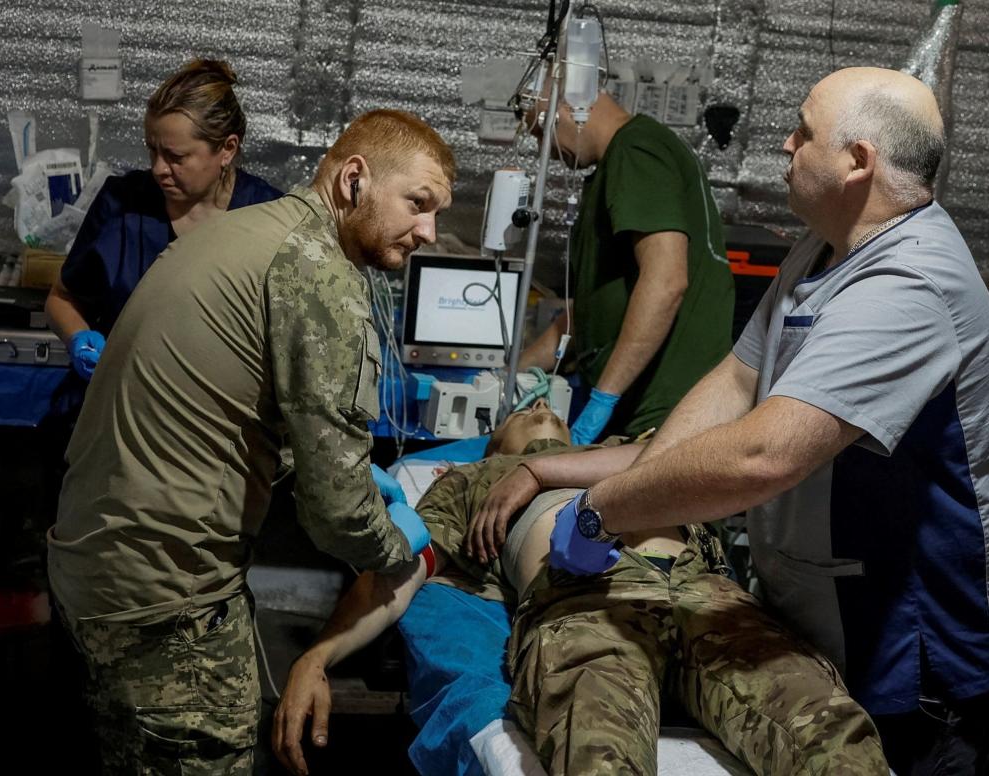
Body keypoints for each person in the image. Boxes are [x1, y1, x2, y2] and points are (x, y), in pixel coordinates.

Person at [508, 67, 989, 776]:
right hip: (818, 618)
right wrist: (584, 468)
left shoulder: (910, 284)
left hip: (916, 649)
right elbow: (734, 381)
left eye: (803, 132)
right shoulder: (823, 247)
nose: (784, 146)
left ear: (857, 162)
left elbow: (763, 455)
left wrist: (604, 509)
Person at [47, 109, 455, 774]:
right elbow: (335, 514)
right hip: (167, 600)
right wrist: (398, 544)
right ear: (354, 179)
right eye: (417, 203)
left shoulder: (244, 233)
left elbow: (230, 400)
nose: (428, 231)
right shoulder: (318, 272)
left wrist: (309, 464)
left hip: (93, 567)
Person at [272, 402, 887, 776]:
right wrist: (318, 655)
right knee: (595, 751)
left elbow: (697, 455)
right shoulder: (472, 481)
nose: (538, 406)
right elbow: (398, 573)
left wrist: (545, 468)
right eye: (519, 413)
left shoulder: (634, 451)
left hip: (709, 597)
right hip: (584, 607)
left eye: (548, 408)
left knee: (829, 733)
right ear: (492, 445)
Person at [517, 87, 736, 445]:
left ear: (570, 108)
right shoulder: (620, 163)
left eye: (542, 131)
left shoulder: (636, 152)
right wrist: (513, 374)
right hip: (641, 410)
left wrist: (603, 399)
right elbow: (586, 312)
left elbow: (666, 282)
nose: (547, 149)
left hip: (663, 415)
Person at [46, 58, 283, 387]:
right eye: (152, 150)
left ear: (227, 149)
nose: (158, 168)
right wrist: (79, 338)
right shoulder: (121, 204)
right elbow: (62, 298)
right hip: (122, 398)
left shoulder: (269, 217)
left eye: (176, 157)